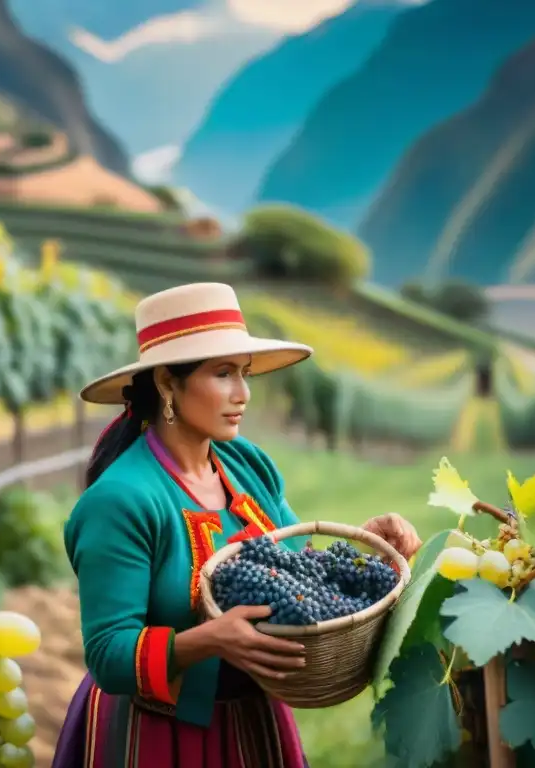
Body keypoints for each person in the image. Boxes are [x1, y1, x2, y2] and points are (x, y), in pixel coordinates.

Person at [51, 283, 422, 768]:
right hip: (159, 736)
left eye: (244, 374)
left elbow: (293, 572)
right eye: (223, 373)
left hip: (254, 717)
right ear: (167, 382)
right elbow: (107, 654)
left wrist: (363, 550)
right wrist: (209, 639)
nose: (242, 394)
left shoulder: (246, 465)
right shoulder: (122, 501)